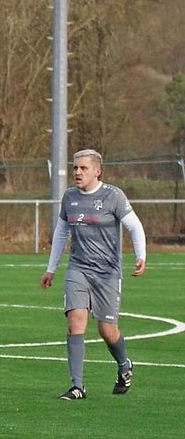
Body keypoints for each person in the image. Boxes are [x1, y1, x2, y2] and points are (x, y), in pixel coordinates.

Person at [40, 149, 146, 400]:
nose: (77, 172)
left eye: (83, 168)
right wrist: (51, 268)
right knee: (75, 322)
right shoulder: (69, 197)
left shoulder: (113, 196)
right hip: (78, 269)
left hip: (107, 273)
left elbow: (134, 226)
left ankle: (124, 365)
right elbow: (61, 232)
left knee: (107, 330)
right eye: (75, 167)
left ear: (97, 171)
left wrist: (141, 255)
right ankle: (77, 386)